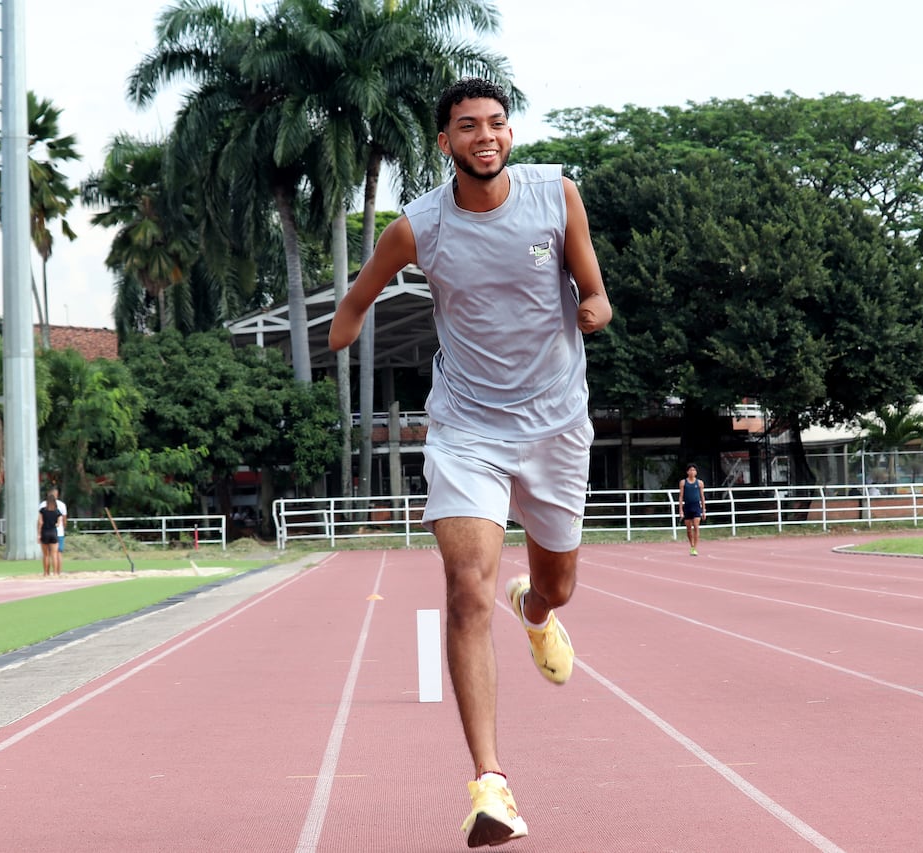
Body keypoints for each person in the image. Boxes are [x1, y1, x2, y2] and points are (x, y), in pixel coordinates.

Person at [329, 77, 612, 848]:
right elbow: (359, 295)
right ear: (445, 141)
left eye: (495, 123)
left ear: (508, 134)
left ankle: (537, 611)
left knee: (558, 584)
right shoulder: (418, 227)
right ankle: (491, 784)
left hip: (555, 423)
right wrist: (342, 328)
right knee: (464, 587)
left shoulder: (556, 196)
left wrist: (594, 308)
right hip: (466, 429)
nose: (484, 135)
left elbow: (594, 289)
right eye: (467, 126)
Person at [678, 463, 706, 556]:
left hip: (696, 506)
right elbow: (681, 496)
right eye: (690, 470)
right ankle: (692, 545)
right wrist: (680, 510)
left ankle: (695, 547)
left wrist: (704, 510)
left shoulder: (700, 483)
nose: (692, 472)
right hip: (687, 506)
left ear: (696, 472)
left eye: (694, 470)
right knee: (689, 528)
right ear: (687, 472)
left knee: (696, 526)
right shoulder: (683, 482)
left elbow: (702, 497)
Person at [37, 494, 65, 577]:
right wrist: (54, 523)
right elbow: (59, 523)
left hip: (44, 532)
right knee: (54, 554)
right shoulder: (57, 511)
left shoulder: (42, 510)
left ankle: (46, 573)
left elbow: (40, 522)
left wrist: (39, 534)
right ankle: (55, 572)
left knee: (46, 555)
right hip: (53, 532)